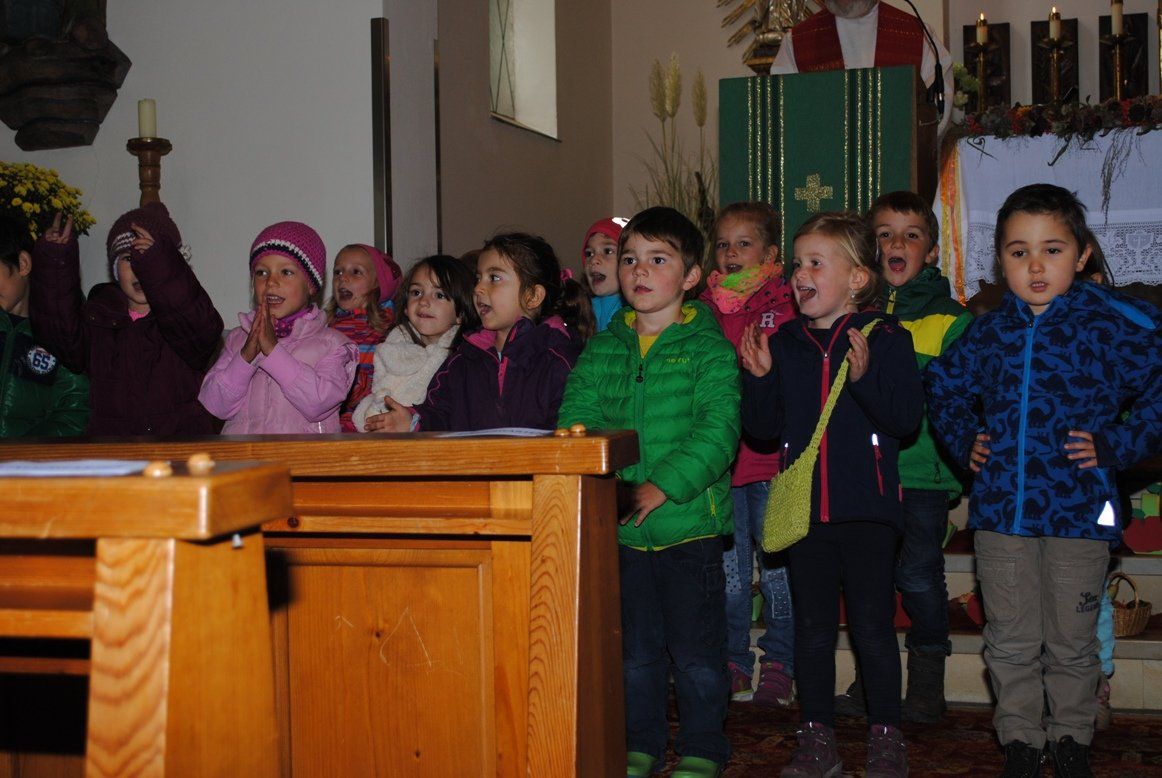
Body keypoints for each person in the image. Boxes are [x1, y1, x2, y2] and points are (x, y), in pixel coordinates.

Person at [925, 184, 1162, 778]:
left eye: (1051, 250)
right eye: (1018, 252)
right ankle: (1022, 742)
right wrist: (965, 439)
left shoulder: (1112, 324)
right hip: (1002, 513)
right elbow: (944, 386)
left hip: (1079, 511)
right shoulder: (988, 332)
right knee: (1009, 638)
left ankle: (1072, 736)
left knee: (1072, 639)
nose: (1035, 266)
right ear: (1000, 260)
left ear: (1081, 255)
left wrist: (1119, 445)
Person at [558, 206, 740, 778]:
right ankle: (640, 743)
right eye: (630, 258)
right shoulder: (603, 348)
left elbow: (718, 430)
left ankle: (703, 747)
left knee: (697, 654)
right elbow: (577, 420)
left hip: (689, 527)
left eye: (658, 260)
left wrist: (662, 485)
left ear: (691, 276)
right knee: (634, 652)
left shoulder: (708, 348)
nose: (639, 270)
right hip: (622, 530)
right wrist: (608, 487)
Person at [740, 211, 922, 778]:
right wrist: (760, 378)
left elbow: (905, 420)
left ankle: (886, 738)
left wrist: (865, 381)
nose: (800, 275)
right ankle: (816, 739)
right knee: (813, 631)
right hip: (805, 516)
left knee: (872, 628)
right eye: (797, 264)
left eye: (816, 263)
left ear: (857, 278)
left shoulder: (887, 338)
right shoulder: (785, 343)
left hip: (868, 513)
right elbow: (763, 431)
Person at [834, 191, 972, 723]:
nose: (897, 243)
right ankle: (873, 681)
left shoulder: (950, 320)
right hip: (865, 472)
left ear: (931, 252)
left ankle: (927, 681)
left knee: (916, 576)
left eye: (911, 235)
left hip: (920, 471)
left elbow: (956, 397)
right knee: (868, 581)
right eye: (885, 234)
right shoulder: (852, 313)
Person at [699, 201, 798, 707]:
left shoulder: (787, 305)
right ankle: (733, 658)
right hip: (723, 464)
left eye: (744, 243)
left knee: (778, 571)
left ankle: (781, 661)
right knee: (731, 575)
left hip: (772, 462)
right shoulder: (703, 309)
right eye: (723, 244)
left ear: (771, 254)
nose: (731, 253)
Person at [31, 204, 222, 435]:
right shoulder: (99, 317)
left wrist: (158, 265)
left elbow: (202, 331)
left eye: (148, 257)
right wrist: (55, 263)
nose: (139, 268)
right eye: (129, 258)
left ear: (170, 264)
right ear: (114, 268)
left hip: (178, 448)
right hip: (114, 448)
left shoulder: (184, 320)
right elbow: (60, 338)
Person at [377, 232, 589, 432]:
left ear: (532, 296)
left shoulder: (558, 357)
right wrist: (413, 421)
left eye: (494, 278)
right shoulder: (464, 358)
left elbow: (572, 424)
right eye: (478, 278)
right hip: (472, 460)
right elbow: (440, 413)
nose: (478, 288)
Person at [199, 221, 357, 433]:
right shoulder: (238, 339)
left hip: (301, 455)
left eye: (286, 272)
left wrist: (273, 352)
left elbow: (319, 404)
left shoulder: (332, 345)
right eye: (261, 273)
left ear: (311, 285)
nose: (271, 282)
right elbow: (215, 405)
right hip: (243, 455)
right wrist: (245, 357)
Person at [771, 0, 953, 138]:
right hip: (824, 167)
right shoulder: (796, 42)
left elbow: (939, 108)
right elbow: (782, 113)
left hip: (899, 165)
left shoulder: (917, 34)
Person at [352, 255, 478, 432]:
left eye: (439, 295)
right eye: (416, 292)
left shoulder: (465, 360)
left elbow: (457, 417)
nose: (424, 302)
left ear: (461, 313)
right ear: (405, 306)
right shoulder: (392, 345)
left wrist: (412, 422)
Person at [0, 215, 88, 436]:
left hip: (28, 456)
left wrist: (23, 451)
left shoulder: (63, 332)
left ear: (23, 264)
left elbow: (73, 412)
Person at [326, 243, 401, 431]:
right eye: (337, 272)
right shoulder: (326, 327)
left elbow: (389, 384)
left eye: (356, 272)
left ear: (377, 282)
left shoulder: (388, 330)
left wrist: (354, 384)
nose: (343, 278)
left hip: (369, 422)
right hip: (333, 424)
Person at [581, 216, 628, 332]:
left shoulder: (638, 313)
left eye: (607, 251)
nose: (594, 260)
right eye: (589, 254)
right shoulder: (582, 310)